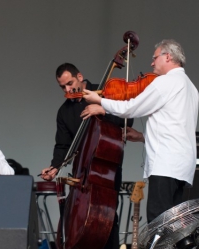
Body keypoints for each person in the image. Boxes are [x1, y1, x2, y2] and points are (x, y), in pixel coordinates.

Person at [82, 39, 198, 225]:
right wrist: (143, 137)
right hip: (183, 167)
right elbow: (177, 129)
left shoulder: (166, 82)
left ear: (167, 56)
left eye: (154, 58)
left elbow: (131, 108)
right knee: (173, 227)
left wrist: (100, 101)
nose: (151, 63)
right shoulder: (191, 88)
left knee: (158, 224)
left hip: (166, 165)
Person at [40, 63, 133, 249]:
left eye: (70, 83)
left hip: (106, 167)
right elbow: (62, 145)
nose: (67, 90)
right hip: (82, 171)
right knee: (83, 219)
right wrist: (55, 167)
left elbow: (127, 119)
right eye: (62, 87)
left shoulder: (105, 92)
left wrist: (102, 109)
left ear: (80, 76)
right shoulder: (64, 112)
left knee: (107, 217)